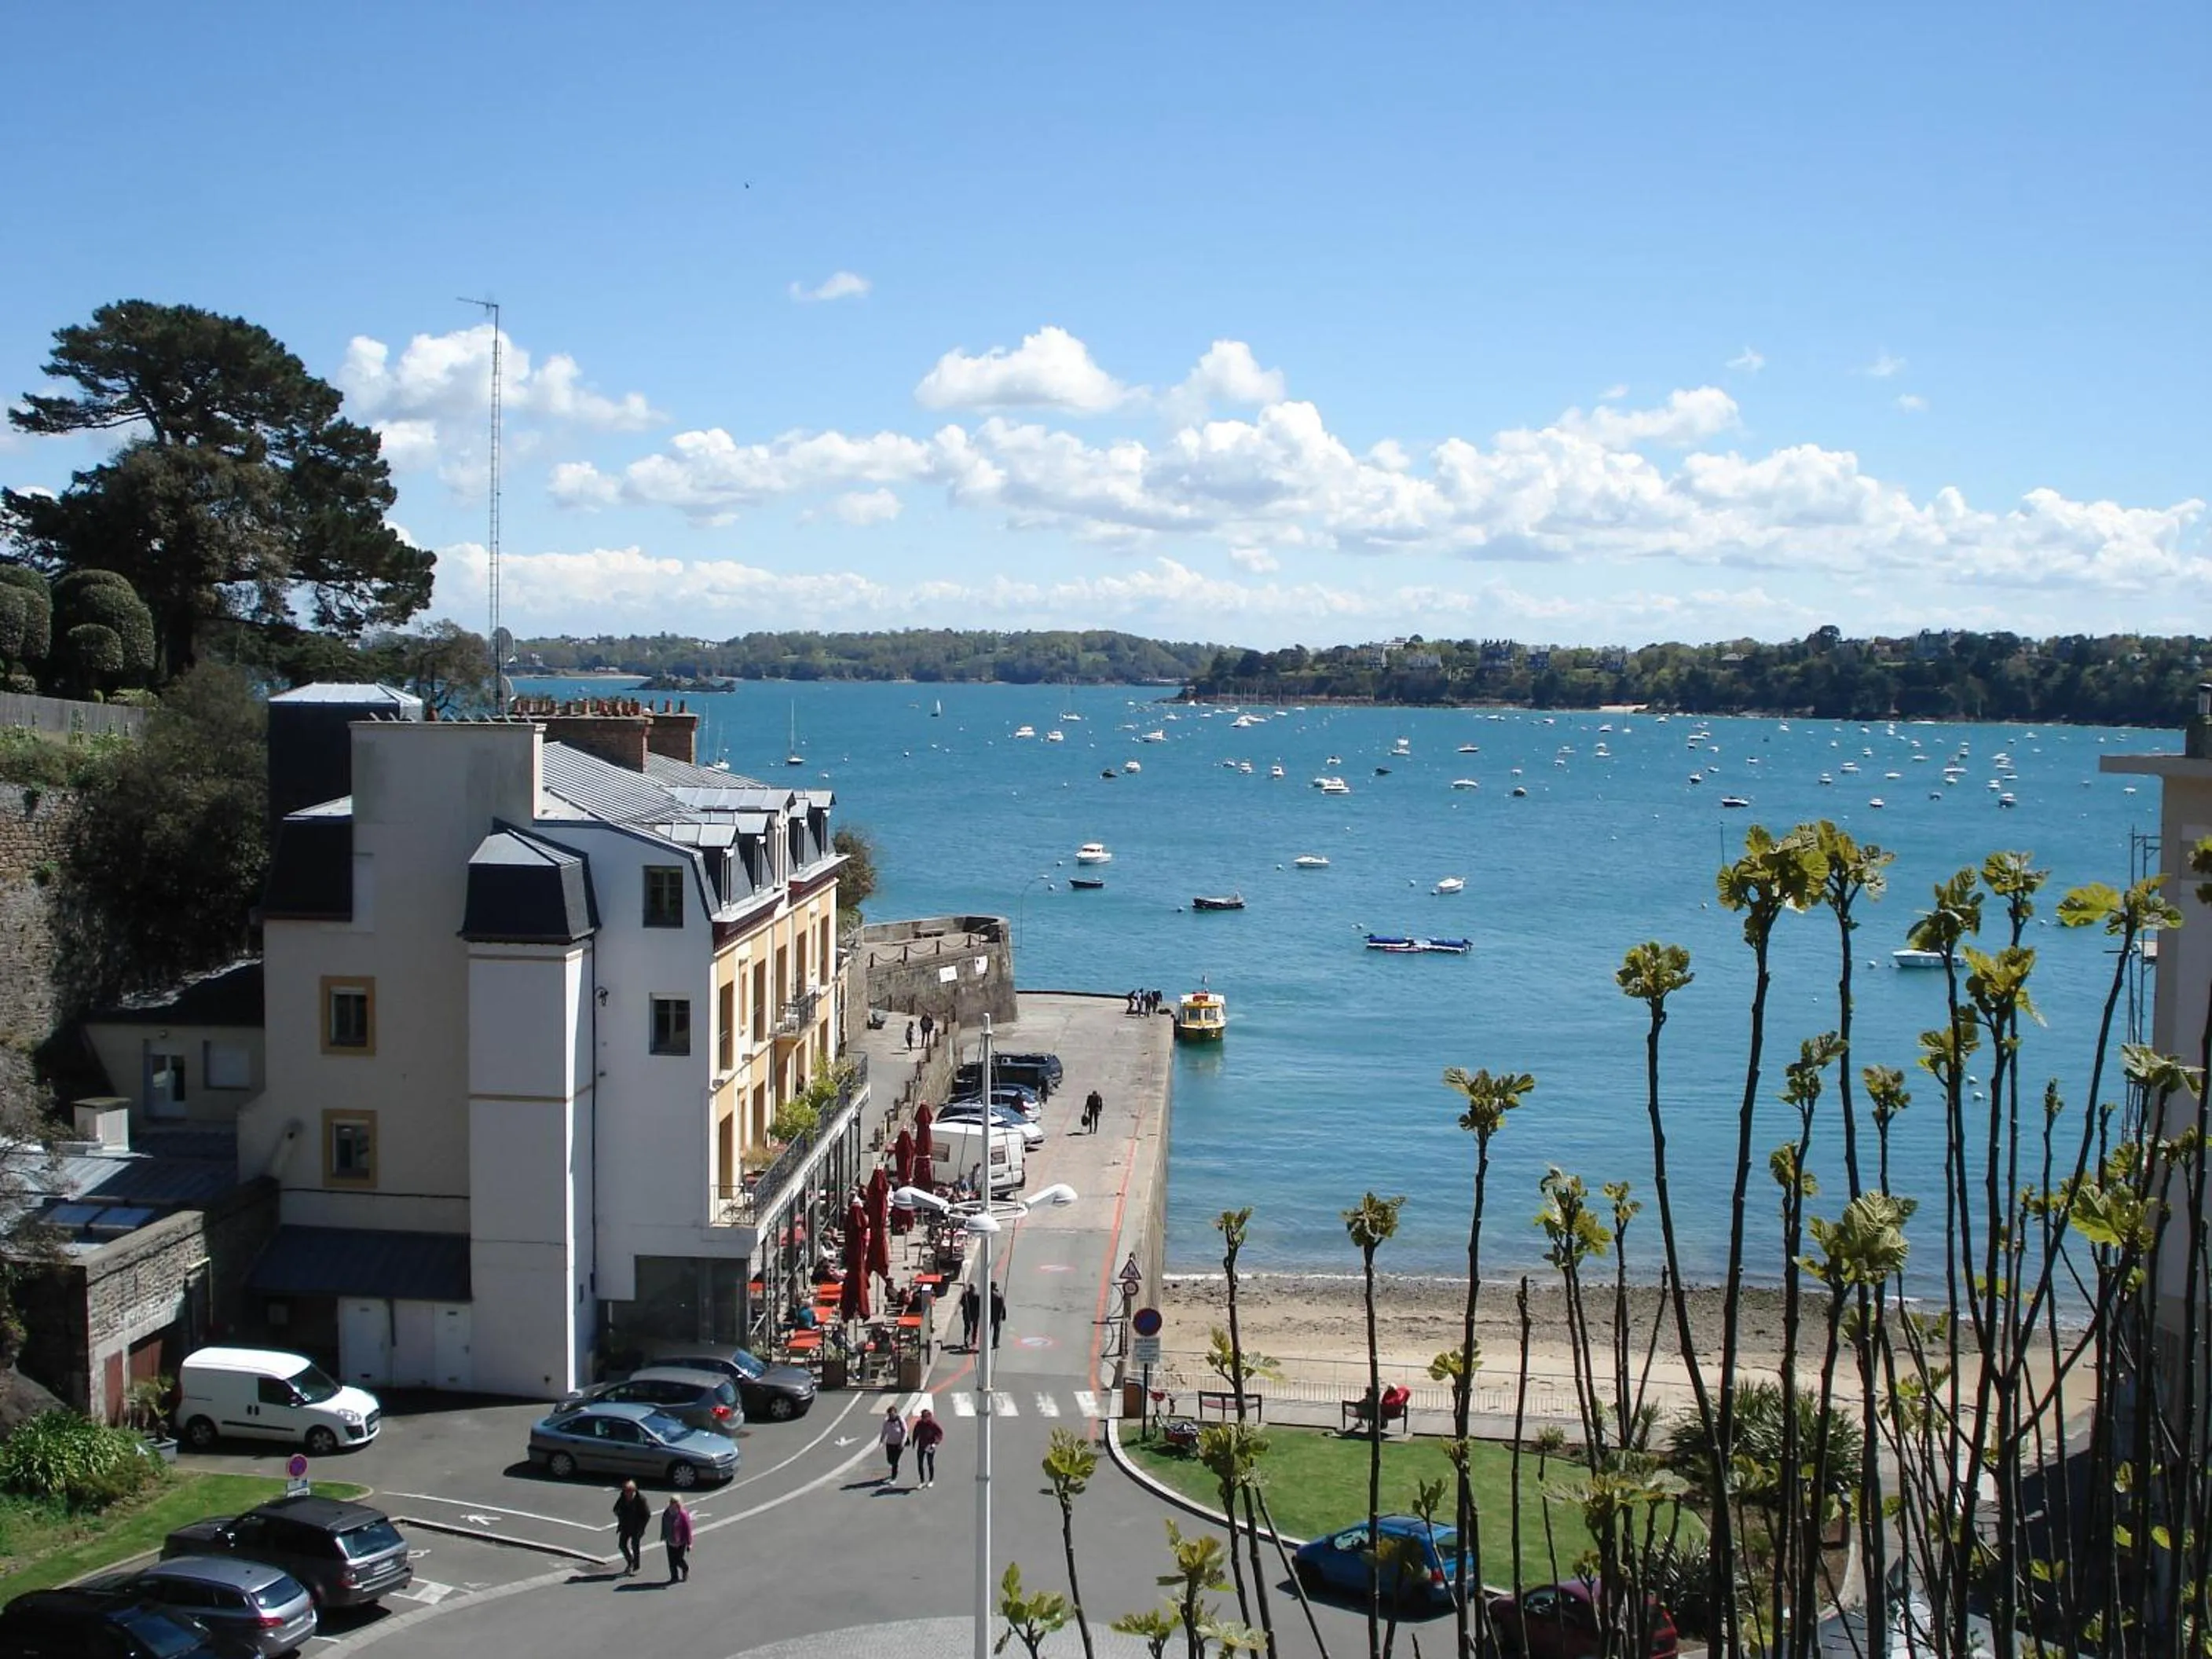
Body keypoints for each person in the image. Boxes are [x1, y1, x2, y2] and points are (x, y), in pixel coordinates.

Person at [612, 1480, 649, 1575]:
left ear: (633, 1490)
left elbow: (647, 1515)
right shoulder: (623, 1497)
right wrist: (618, 1512)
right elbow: (616, 1508)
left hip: (637, 1527)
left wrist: (642, 1527)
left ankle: (636, 1566)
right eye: (625, 1490)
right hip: (625, 1525)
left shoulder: (641, 1499)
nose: (626, 1493)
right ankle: (630, 1561)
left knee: (635, 1546)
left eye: (628, 1491)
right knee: (622, 1545)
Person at [661, 1495, 692, 1582]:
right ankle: (674, 1577)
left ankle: (685, 1568)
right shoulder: (667, 1512)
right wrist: (663, 1535)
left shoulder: (683, 1514)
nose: (673, 1504)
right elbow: (664, 1524)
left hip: (680, 1541)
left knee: (678, 1559)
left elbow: (688, 1529)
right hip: (670, 1540)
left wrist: (689, 1543)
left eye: (675, 1502)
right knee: (671, 1561)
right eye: (672, 1502)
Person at [910, 1407, 944, 1489]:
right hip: (921, 1446)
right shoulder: (919, 1423)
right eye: (922, 1417)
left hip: (930, 1446)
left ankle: (931, 1480)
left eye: (925, 1417)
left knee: (930, 1463)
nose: (923, 1419)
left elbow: (940, 1433)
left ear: (929, 1417)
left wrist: (935, 1443)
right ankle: (922, 1481)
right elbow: (915, 1433)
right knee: (920, 1464)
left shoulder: (933, 1424)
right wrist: (914, 1442)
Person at [878, 1403, 909, 1483]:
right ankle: (896, 1467)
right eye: (890, 1414)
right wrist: (881, 1441)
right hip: (890, 1443)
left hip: (899, 1444)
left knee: (895, 1461)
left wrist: (902, 1442)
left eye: (892, 1414)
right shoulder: (887, 1421)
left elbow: (905, 1431)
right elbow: (884, 1431)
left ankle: (893, 1478)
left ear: (896, 1413)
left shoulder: (900, 1420)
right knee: (890, 1460)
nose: (891, 1416)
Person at [959, 1280, 980, 1348]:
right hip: (975, 1314)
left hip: (967, 1313)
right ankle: (973, 1340)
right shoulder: (977, 1296)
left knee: (967, 1328)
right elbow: (979, 1305)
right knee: (974, 1327)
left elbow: (961, 1303)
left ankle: (967, 1341)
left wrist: (965, 1306)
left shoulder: (965, 1295)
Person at [990, 1283, 1006, 1350]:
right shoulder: (999, 1295)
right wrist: (1004, 1315)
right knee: (996, 1330)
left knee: (987, 1330)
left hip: (989, 1315)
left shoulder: (986, 1294)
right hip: (997, 1315)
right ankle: (995, 1343)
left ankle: (986, 1343)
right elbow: (1003, 1306)